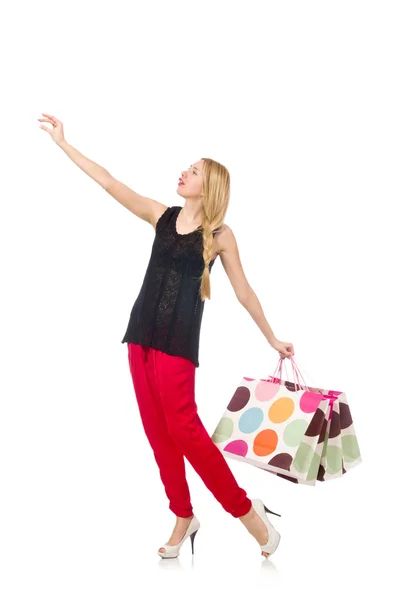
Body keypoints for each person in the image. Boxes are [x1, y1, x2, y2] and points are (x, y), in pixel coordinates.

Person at [38, 112, 295, 560]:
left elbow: (244, 292)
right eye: (188, 167)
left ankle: (248, 513)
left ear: (208, 186)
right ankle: (183, 515)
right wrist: (64, 143)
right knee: (159, 434)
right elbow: (109, 182)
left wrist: (272, 337)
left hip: (177, 344)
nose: (184, 171)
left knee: (186, 430)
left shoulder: (219, 235)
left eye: (193, 170)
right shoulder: (161, 216)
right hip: (139, 337)